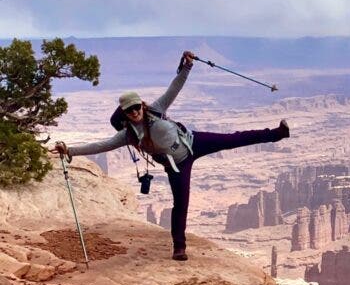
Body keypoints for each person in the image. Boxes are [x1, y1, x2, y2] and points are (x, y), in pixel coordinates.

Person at [53, 50, 290, 261]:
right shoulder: (129, 135)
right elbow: (100, 145)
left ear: (142, 105)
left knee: (235, 138)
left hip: (194, 141)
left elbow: (175, 87)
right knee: (181, 204)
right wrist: (70, 150)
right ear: (125, 114)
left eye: (137, 107)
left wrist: (186, 65)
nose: (135, 112)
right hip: (178, 166)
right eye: (130, 111)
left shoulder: (156, 109)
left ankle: (278, 133)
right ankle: (179, 248)